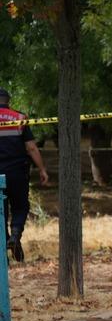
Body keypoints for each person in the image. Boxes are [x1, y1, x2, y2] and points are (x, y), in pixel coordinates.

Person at [0, 87, 49, 262]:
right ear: (8, 101)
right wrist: (42, 169)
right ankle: (15, 235)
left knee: (1, 212)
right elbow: (31, 147)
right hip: (17, 172)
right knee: (20, 206)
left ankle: (4, 247)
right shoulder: (19, 118)